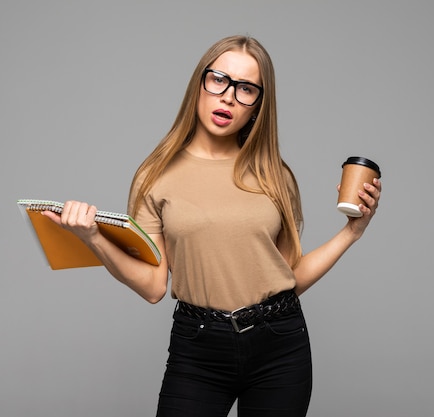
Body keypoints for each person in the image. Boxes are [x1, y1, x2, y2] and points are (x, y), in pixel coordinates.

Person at [43, 35, 382, 417]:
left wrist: (352, 232)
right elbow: (154, 287)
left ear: (258, 105)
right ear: (199, 85)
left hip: (280, 344)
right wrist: (93, 239)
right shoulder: (154, 176)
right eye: (218, 79)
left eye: (246, 89)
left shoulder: (275, 175)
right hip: (198, 349)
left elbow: (290, 274)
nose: (229, 97)